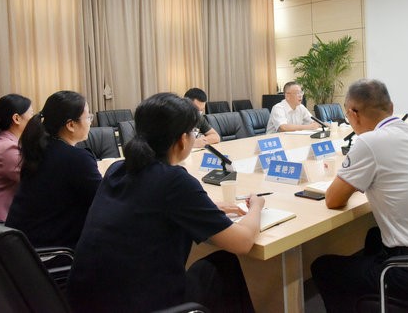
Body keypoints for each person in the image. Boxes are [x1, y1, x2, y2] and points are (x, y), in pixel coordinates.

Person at [67, 93, 263, 313]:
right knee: (225, 264)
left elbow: (146, 205)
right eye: (193, 132)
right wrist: (256, 206)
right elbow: (243, 242)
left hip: (84, 301)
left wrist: (207, 208)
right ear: (182, 139)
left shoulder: (118, 169)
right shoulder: (175, 181)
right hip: (137, 304)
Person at [311, 79, 408, 311]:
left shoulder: (368, 142)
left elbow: (333, 200)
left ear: (352, 113)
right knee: (373, 236)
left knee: (323, 267)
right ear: (391, 107)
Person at [5, 91, 101, 249]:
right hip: (53, 252)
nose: (90, 122)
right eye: (88, 117)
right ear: (71, 125)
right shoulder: (77, 159)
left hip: (22, 250)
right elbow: (103, 201)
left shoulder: (39, 150)